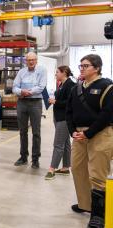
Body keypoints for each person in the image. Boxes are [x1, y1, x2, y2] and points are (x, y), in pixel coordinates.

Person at [66, 54, 113, 227]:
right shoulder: (76, 88)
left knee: (97, 174)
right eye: (81, 66)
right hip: (79, 136)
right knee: (78, 169)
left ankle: (98, 215)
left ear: (97, 68)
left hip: (100, 134)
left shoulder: (107, 86)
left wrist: (89, 133)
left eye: (86, 66)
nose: (82, 68)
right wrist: (73, 132)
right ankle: (86, 204)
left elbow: (107, 113)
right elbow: (68, 112)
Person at [12, 52, 47, 168]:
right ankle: (23, 157)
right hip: (22, 102)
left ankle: (35, 159)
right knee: (22, 131)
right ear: (25, 61)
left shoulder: (42, 70)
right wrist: (21, 92)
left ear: (36, 60)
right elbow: (14, 87)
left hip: (35, 103)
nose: (31, 62)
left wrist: (28, 92)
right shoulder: (21, 72)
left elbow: (41, 87)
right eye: (28, 60)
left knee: (36, 132)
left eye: (33, 60)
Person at [44, 66, 75, 180]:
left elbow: (70, 103)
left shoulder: (71, 85)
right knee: (66, 143)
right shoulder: (61, 84)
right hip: (58, 117)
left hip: (64, 119)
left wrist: (56, 101)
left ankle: (52, 169)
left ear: (64, 72)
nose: (55, 74)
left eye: (57, 72)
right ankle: (66, 167)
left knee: (58, 144)